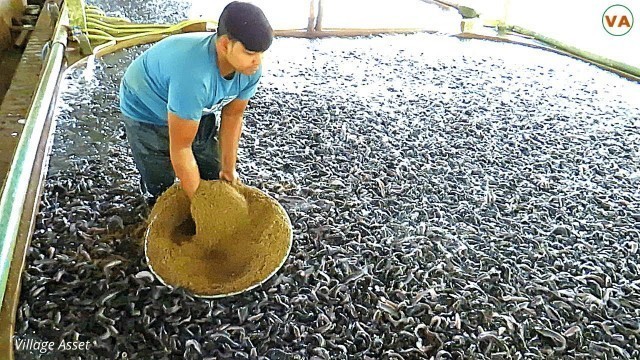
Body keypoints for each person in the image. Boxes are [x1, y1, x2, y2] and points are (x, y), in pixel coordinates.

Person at [119, 1, 273, 206]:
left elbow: (233, 115)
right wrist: (203, 207)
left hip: (194, 104)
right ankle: (157, 206)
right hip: (146, 105)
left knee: (211, 169)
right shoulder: (194, 76)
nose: (258, 61)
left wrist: (228, 169)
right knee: (160, 182)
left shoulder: (250, 69)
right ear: (225, 45)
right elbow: (181, 147)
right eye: (250, 53)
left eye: (261, 53)